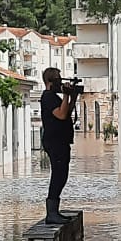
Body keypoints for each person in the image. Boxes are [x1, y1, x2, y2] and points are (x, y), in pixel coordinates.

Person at [40, 66, 78, 225]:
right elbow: (61, 115)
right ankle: (52, 213)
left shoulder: (53, 97)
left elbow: (66, 112)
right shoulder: (48, 97)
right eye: (57, 79)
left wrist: (72, 98)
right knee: (58, 175)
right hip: (54, 141)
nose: (60, 82)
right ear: (50, 81)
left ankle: (54, 211)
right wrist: (65, 96)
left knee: (62, 175)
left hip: (60, 141)